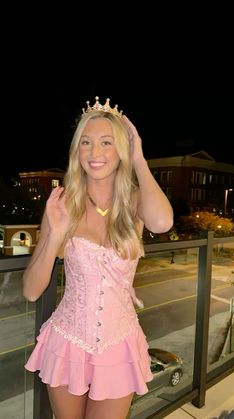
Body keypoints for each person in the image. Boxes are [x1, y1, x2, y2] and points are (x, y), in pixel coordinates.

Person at [23, 96, 173, 419]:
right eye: (86, 142)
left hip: (118, 344)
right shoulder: (63, 204)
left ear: (121, 151)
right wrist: (53, 237)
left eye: (106, 142)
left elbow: (163, 222)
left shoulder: (135, 203)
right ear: (77, 151)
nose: (95, 153)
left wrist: (139, 159)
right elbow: (31, 290)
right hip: (68, 341)